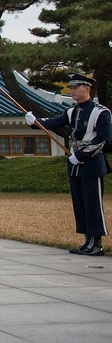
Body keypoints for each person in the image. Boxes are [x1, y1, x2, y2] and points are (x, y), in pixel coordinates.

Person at [25, 73, 110, 256]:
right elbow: (55, 122)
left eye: (75, 87)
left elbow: (104, 140)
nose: (71, 91)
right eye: (70, 87)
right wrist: (36, 122)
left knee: (93, 204)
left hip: (91, 163)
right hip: (75, 164)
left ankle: (97, 243)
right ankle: (87, 240)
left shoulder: (100, 112)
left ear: (86, 88)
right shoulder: (72, 111)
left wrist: (82, 155)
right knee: (81, 204)